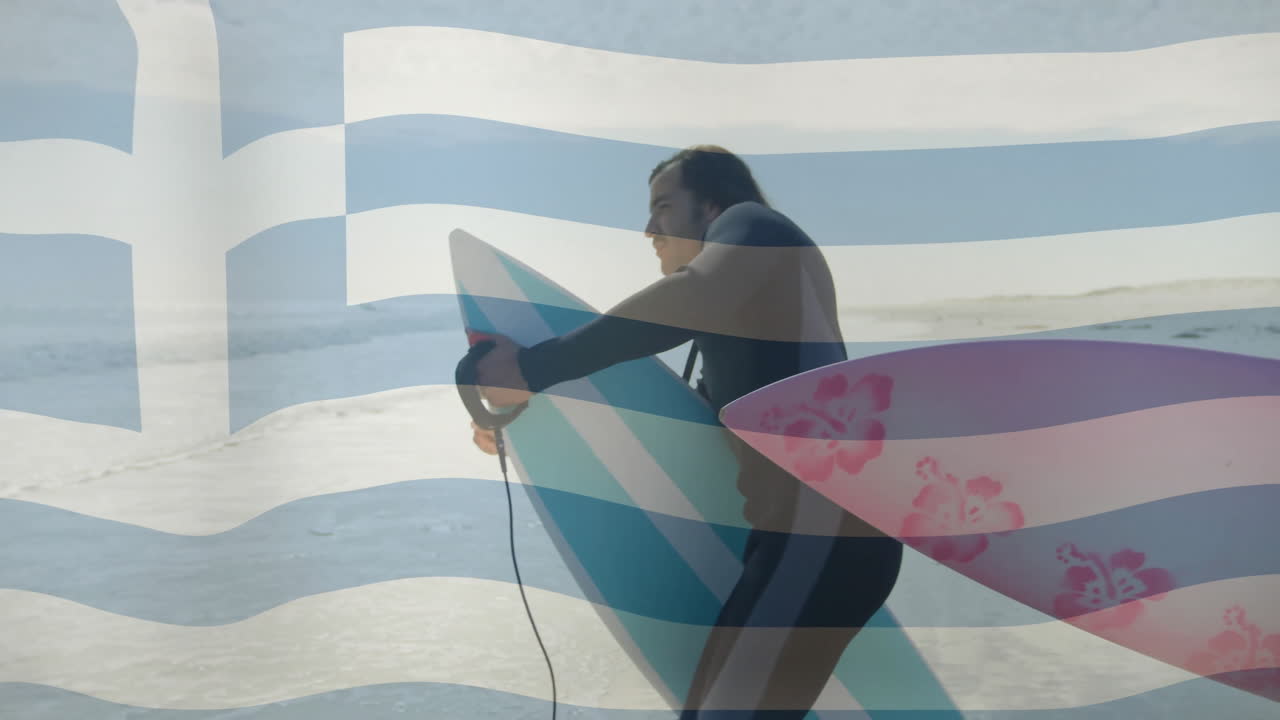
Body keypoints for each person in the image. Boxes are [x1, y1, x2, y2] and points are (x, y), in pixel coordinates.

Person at [469, 145, 903, 718]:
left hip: (824, 529)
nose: (650, 228)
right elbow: (679, 429)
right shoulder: (745, 315)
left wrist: (532, 368)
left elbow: (690, 297)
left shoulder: (756, 225)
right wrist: (535, 425)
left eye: (665, 206)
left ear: (712, 204)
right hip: (804, 536)